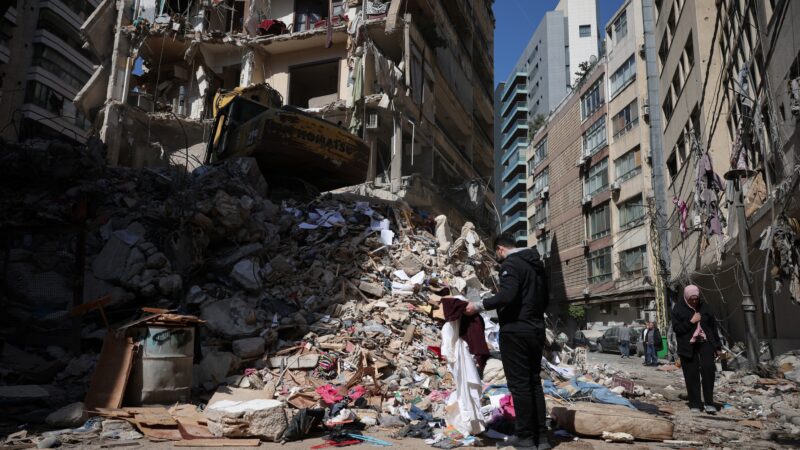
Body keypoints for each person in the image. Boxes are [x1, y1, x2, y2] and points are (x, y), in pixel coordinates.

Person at [465, 234, 550, 450]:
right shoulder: (536, 265)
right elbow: (546, 299)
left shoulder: (511, 264)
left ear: (500, 249)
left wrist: (479, 305)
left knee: (520, 385)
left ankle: (526, 438)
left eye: (497, 254)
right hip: (536, 329)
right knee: (533, 383)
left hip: (516, 331)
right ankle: (541, 438)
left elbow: (507, 295)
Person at [671, 285, 722, 414]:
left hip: (705, 342)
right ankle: (695, 403)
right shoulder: (678, 309)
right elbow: (678, 329)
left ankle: (709, 403)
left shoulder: (705, 307)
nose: (694, 301)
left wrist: (717, 346)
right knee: (691, 373)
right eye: (691, 299)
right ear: (686, 297)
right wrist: (691, 321)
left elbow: (713, 327)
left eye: (696, 298)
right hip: (687, 345)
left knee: (708, 369)